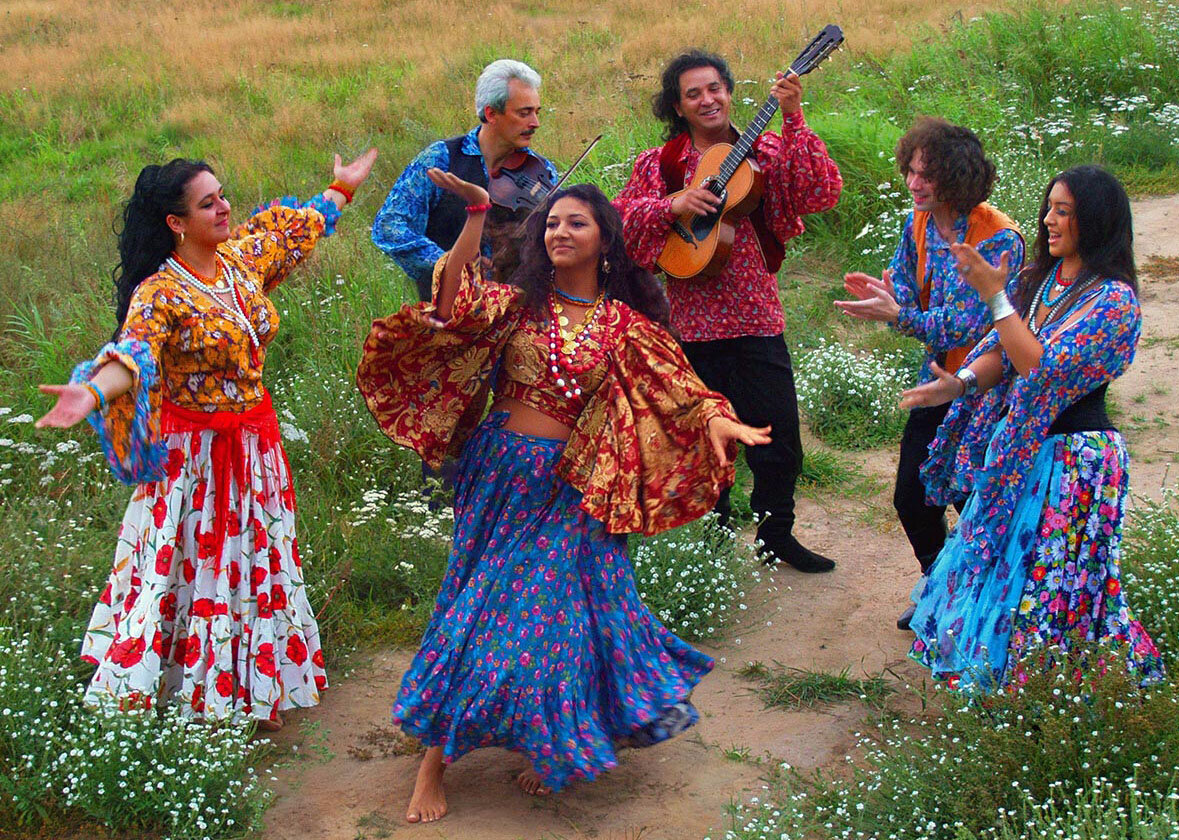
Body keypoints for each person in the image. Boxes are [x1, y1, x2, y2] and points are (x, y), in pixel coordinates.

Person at [357, 171, 770, 822]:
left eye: (576, 223)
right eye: (551, 223)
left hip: (575, 485)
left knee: (560, 619)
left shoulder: (625, 326)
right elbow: (450, 298)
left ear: (605, 239)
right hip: (500, 478)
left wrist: (720, 421)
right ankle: (433, 764)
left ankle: (550, 736)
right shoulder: (517, 304)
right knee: (478, 609)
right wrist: (475, 215)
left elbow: (681, 388)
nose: (560, 232)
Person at [35, 149, 378, 729]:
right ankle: (189, 690)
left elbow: (293, 234)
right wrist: (92, 392)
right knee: (194, 567)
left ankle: (253, 687)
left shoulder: (238, 261)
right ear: (176, 222)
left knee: (253, 560)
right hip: (195, 459)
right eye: (207, 204)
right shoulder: (160, 292)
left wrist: (339, 191)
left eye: (222, 196)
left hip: (255, 447)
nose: (224, 208)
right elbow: (134, 354)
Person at [900, 165, 1163, 691]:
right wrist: (960, 384)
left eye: (1063, 211)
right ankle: (1004, 685)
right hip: (1023, 451)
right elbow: (1003, 352)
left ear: (1096, 219)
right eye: (1049, 208)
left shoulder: (1115, 302)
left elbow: (1040, 368)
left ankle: (1058, 689)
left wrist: (996, 299)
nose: (1048, 220)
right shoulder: (1041, 282)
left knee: (1055, 583)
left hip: (1075, 463)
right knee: (1004, 569)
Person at [613, 49, 842, 573]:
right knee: (702, 441)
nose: (707, 100)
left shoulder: (766, 150)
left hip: (756, 317)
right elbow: (620, 221)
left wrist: (793, 117)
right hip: (690, 327)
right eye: (693, 93)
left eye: (715, 88)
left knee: (778, 439)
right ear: (678, 106)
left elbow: (819, 192)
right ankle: (713, 541)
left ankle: (775, 535)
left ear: (730, 92)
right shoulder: (661, 164)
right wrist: (672, 204)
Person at [834, 117, 1024, 629]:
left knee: (973, 499)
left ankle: (990, 604)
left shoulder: (996, 236)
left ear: (957, 178)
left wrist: (899, 314)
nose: (913, 183)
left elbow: (968, 324)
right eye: (911, 171)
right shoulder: (917, 222)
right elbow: (908, 291)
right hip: (939, 381)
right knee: (912, 498)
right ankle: (940, 587)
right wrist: (890, 300)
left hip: (988, 387)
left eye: (926, 175)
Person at [372, 58, 557, 301]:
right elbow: (389, 226)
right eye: (524, 113)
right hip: (448, 309)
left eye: (536, 112)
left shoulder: (541, 171)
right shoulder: (441, 158)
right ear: (491, 113)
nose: (535, 123)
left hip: (517, 308)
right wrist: (449, 263)